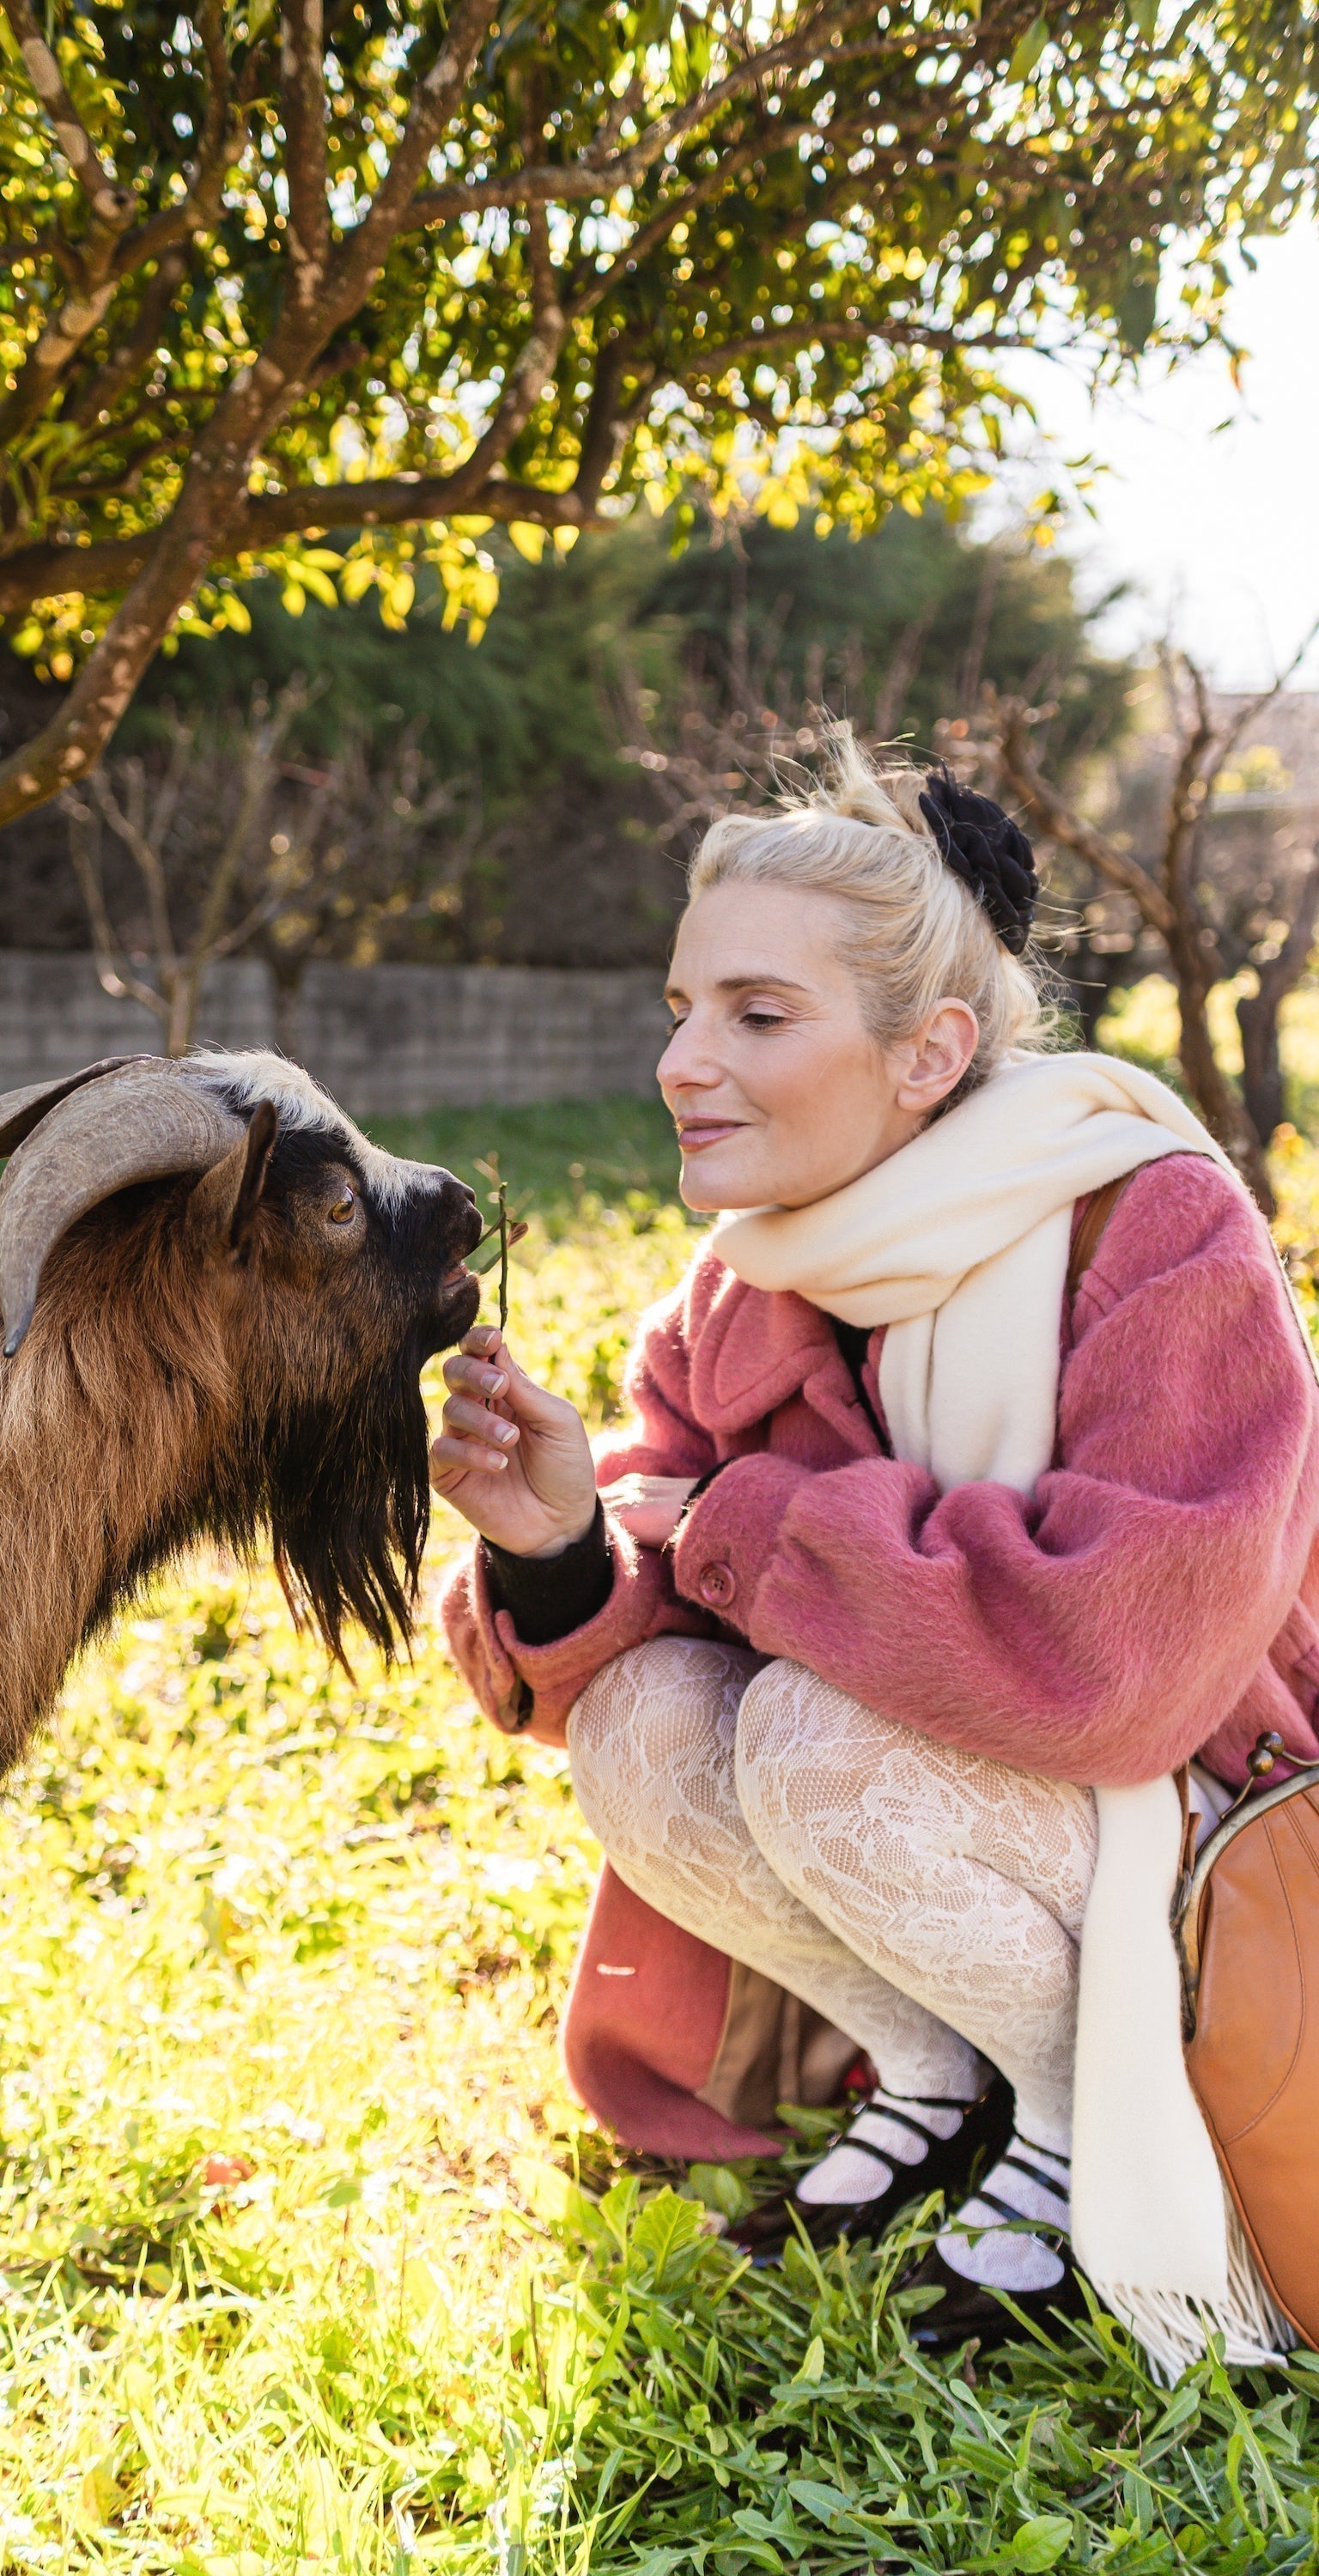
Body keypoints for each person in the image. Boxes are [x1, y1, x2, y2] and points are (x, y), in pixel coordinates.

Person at [435, 732, 1319, 2364]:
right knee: (644, 1730)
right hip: (992, 1809)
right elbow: (658, 1537)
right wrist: (561, 1540)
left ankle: (1074, 2130)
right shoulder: (745, 1274)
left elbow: (1126, 1661)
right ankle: (937, 2078)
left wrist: (749, 1531)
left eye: (758, 1017)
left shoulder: (1151, 1218)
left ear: (930, 1056)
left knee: (810, 1729)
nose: (682, 1063)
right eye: (681, 1009)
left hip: (1209, 1820)